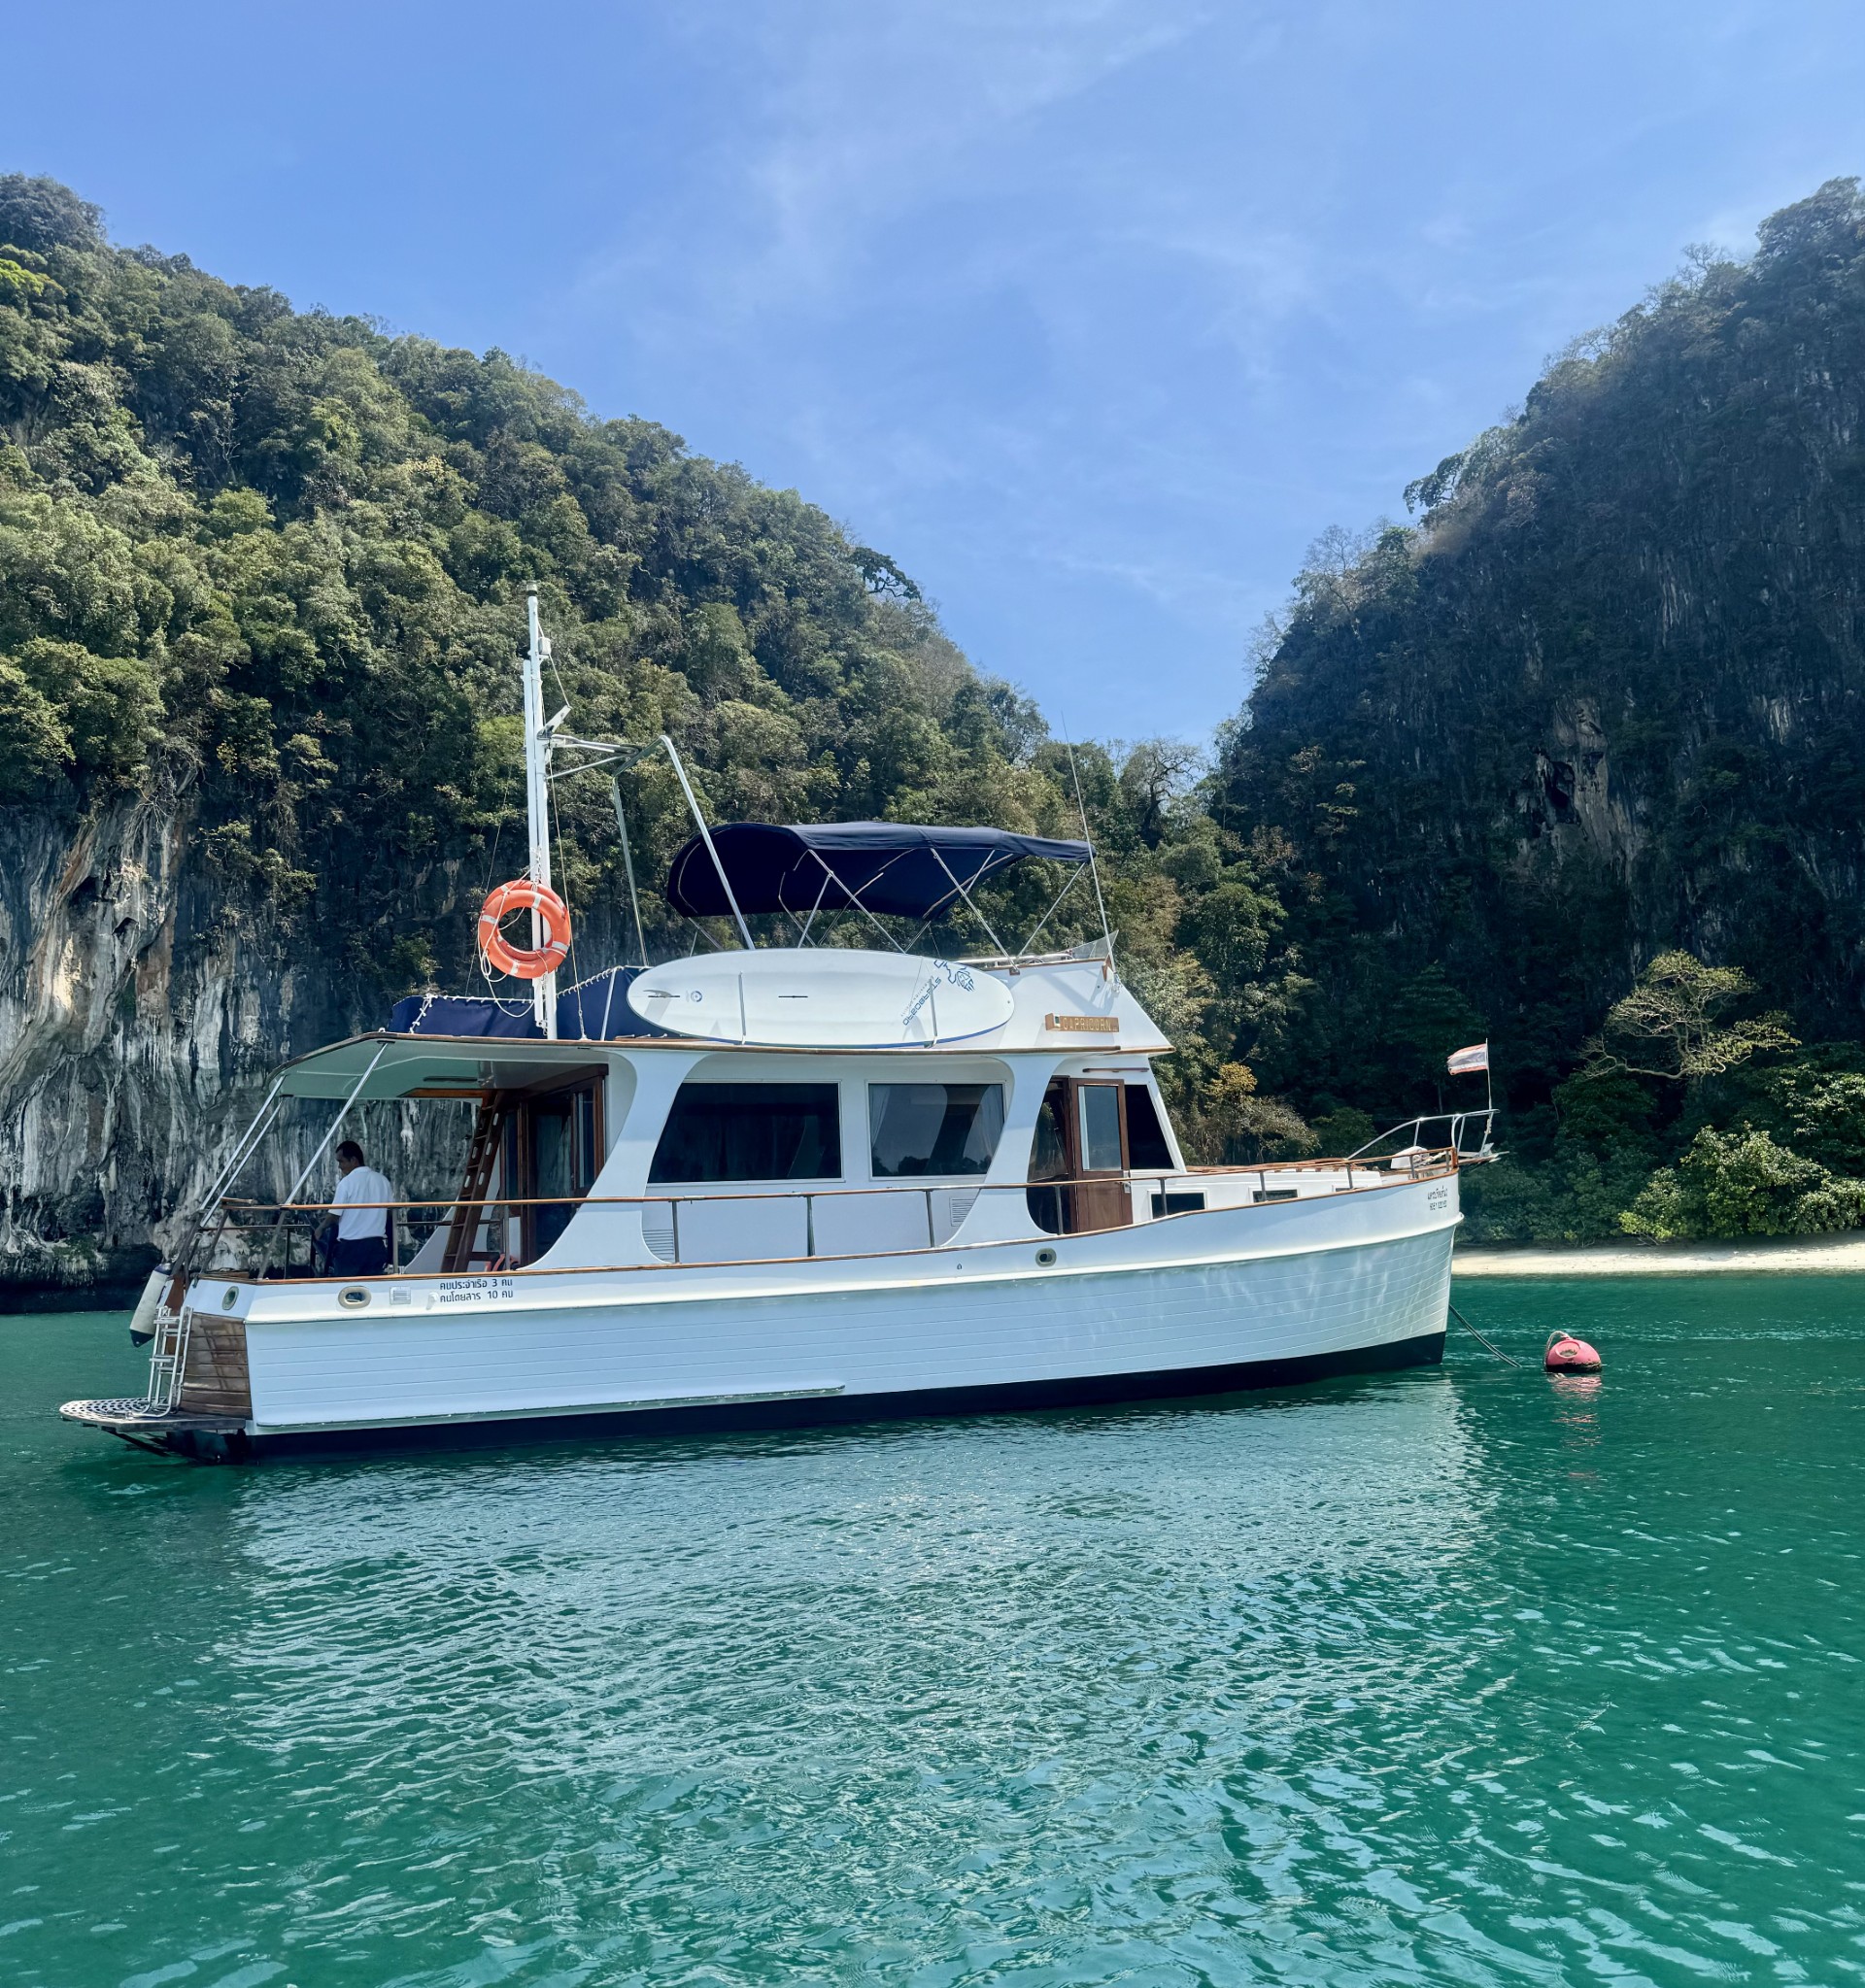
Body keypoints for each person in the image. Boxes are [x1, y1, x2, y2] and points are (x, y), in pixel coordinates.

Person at [321, 1139, 396, 1277]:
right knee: (372, 1289)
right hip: (375, 1246)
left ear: (353, 1160)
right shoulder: (383, 1181)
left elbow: (334, 1216)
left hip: (350, 1248)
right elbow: (390, 1215)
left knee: (347, 1290)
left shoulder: (346, 1183)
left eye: (341, 1161)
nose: (339, 1167)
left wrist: (320, 1229)